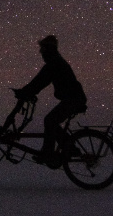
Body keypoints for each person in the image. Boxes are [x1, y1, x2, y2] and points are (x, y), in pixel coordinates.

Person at [14, 34, 87, 167]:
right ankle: (70, 148)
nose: (41, 53)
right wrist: (26, 91)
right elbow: (39, 82)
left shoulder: (54, 63)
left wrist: (24, 92)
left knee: (50, 120)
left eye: (42, 50)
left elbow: (39, 82)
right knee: (52, 122)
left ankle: (48, 154)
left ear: (48, 49)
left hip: (73, 99)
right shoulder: (56, 61)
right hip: (74, 98)